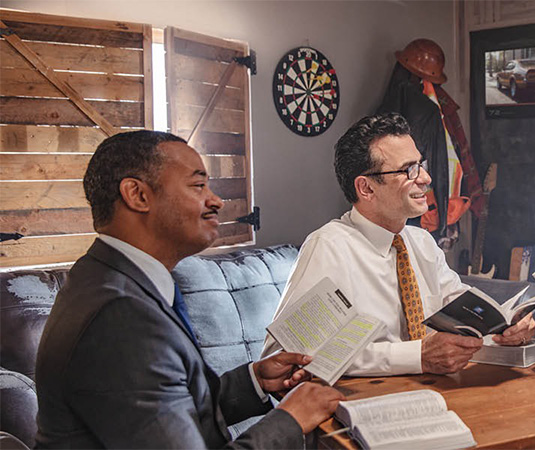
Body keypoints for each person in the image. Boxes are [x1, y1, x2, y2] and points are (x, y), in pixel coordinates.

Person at [35, 131, 344, 448]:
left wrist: (254, 381)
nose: (216, 200)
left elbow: (168, 404)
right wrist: (290, 420)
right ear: (137, 195)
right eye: (198, 185)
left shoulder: (110, 277)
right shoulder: (120, 316)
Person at [262, 113, 535, 376]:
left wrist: (507, 324)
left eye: (421, 165)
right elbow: (284, 356)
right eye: (409, 170)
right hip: (364, 407)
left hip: (435, 394)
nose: (426, 179)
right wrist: (414, 356)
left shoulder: (421, 243)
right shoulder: (329, 247)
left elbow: (460, 302)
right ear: (366, 188)